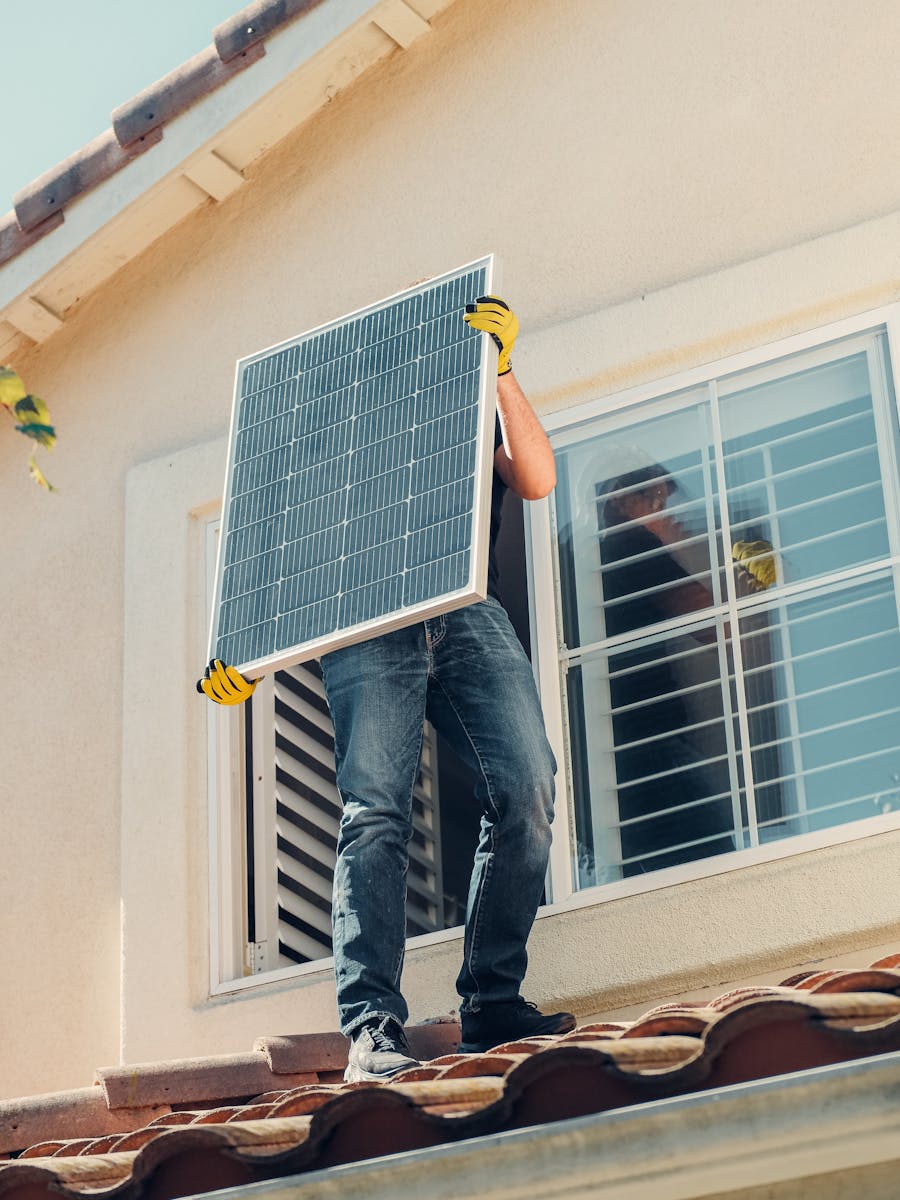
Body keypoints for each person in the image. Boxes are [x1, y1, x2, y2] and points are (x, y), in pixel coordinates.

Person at [199, 296, 575, 1081]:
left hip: (465, 612)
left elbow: (535, 477)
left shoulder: (460, 406)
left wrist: (501, 369)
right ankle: (371, 1030)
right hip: (364, 630)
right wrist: (241, 655)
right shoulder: (324, 459)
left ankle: (492, 1000)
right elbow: (268, 547)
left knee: (528, 782)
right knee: (375, 814)